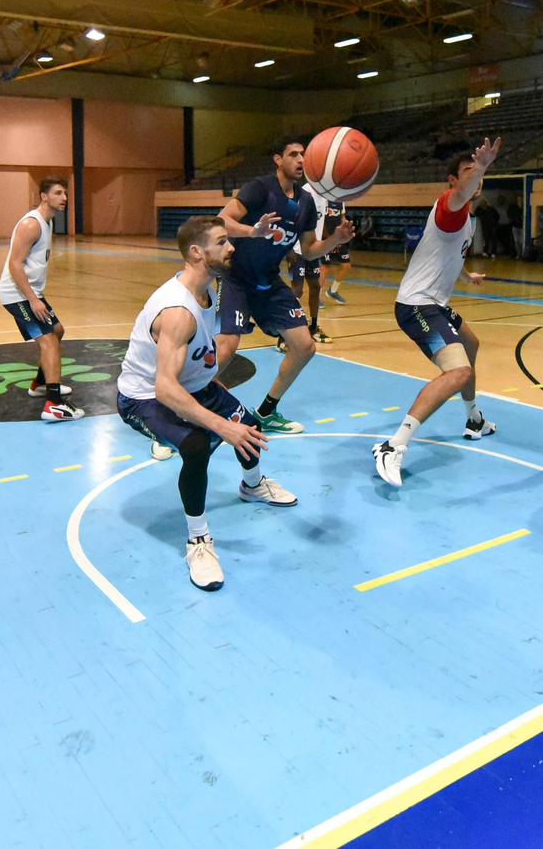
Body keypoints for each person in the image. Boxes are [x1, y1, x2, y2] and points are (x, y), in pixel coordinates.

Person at [116, 216, 297, 592]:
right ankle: (198, 540)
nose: (231, 248)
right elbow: (164, 388)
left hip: (192, 385)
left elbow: (201, 351)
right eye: (222, 242)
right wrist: (220, 425)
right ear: (196, 252)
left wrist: (221, 401)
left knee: (250, 427)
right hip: (144, 395)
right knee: (197, 446)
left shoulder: (208, 289)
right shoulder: (177, 311)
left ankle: (252, 485)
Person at [372, 139, 501, 488]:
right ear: (453, 182)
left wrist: (465, 274)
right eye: (468, 172)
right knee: (458, 371)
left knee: (471, 345)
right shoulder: (450, 206)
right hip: (417, 305)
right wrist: (483, 167)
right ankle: (393, 445)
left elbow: (446, 254)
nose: (475, 177)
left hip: (435, 303)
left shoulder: (468, 219)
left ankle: (473, 418)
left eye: (477, 172)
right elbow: (458, 204)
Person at [215, 136, 353, 433]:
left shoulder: (305, 203)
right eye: (294, 154)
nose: (301, 160)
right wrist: (253, 231)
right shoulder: (259, 188)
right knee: (226, 348)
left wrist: (335, 240)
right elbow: (221, 221)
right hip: (237, 277)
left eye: (304, 155)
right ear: (278, 159)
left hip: (268, 281)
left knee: (304, 347)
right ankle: (180, 406)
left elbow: (309, 249)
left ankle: (266, 411)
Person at [0, 176, 82, 421]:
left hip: (29, 293)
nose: (64, 198)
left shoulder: (48, 222)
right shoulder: (31, 224)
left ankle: (39, 384)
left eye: (65, 193)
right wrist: (34, 299)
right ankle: (54, 405)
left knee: (57, 331)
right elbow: (15, 265)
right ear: (44, 197)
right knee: (49, 340)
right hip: (17, 294)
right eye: (58, 193)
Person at [502, 194, 522, 259]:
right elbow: (509, 214)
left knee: (521, 241)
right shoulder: (513, 207)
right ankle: (518, 254)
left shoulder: (524, 207)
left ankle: (522, 253)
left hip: (521, 226)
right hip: (515, 226)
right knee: (516, 241)